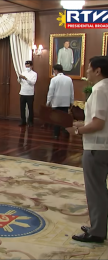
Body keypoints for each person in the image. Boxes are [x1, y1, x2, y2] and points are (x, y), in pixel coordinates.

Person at [66, 56, 108, 243]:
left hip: (97, 147)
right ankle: (99, 224)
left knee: (96, 190)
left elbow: (98, 124)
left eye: (89, 68)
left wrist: (77, 130)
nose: (87, 72)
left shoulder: (99, 90)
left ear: (98, 70)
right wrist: (82, 123)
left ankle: (97, 231)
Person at [46, 64, 74, 139]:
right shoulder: (69, 79)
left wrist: (48, 101)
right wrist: (71, 101)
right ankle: (66, 133)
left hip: (56, 102)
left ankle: (56, 134)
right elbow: (72, 92)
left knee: (56, 119)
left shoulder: (54, 79)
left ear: (55, 70)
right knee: (64, 118)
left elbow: (51, 92)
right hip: (66, 102)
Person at [18, 61, 38, 127]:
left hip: (30, 93)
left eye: (28, 66)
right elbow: (19, 82)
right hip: (22, 92)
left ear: (31, 66)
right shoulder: (23, 72)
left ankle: (30, 121)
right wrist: (20, 78)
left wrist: (26, 79)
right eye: (26, 66)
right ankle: (23, 121)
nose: (27, 67)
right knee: (22, 108)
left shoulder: (34, 74)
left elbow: (32, 83)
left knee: (30, 108)